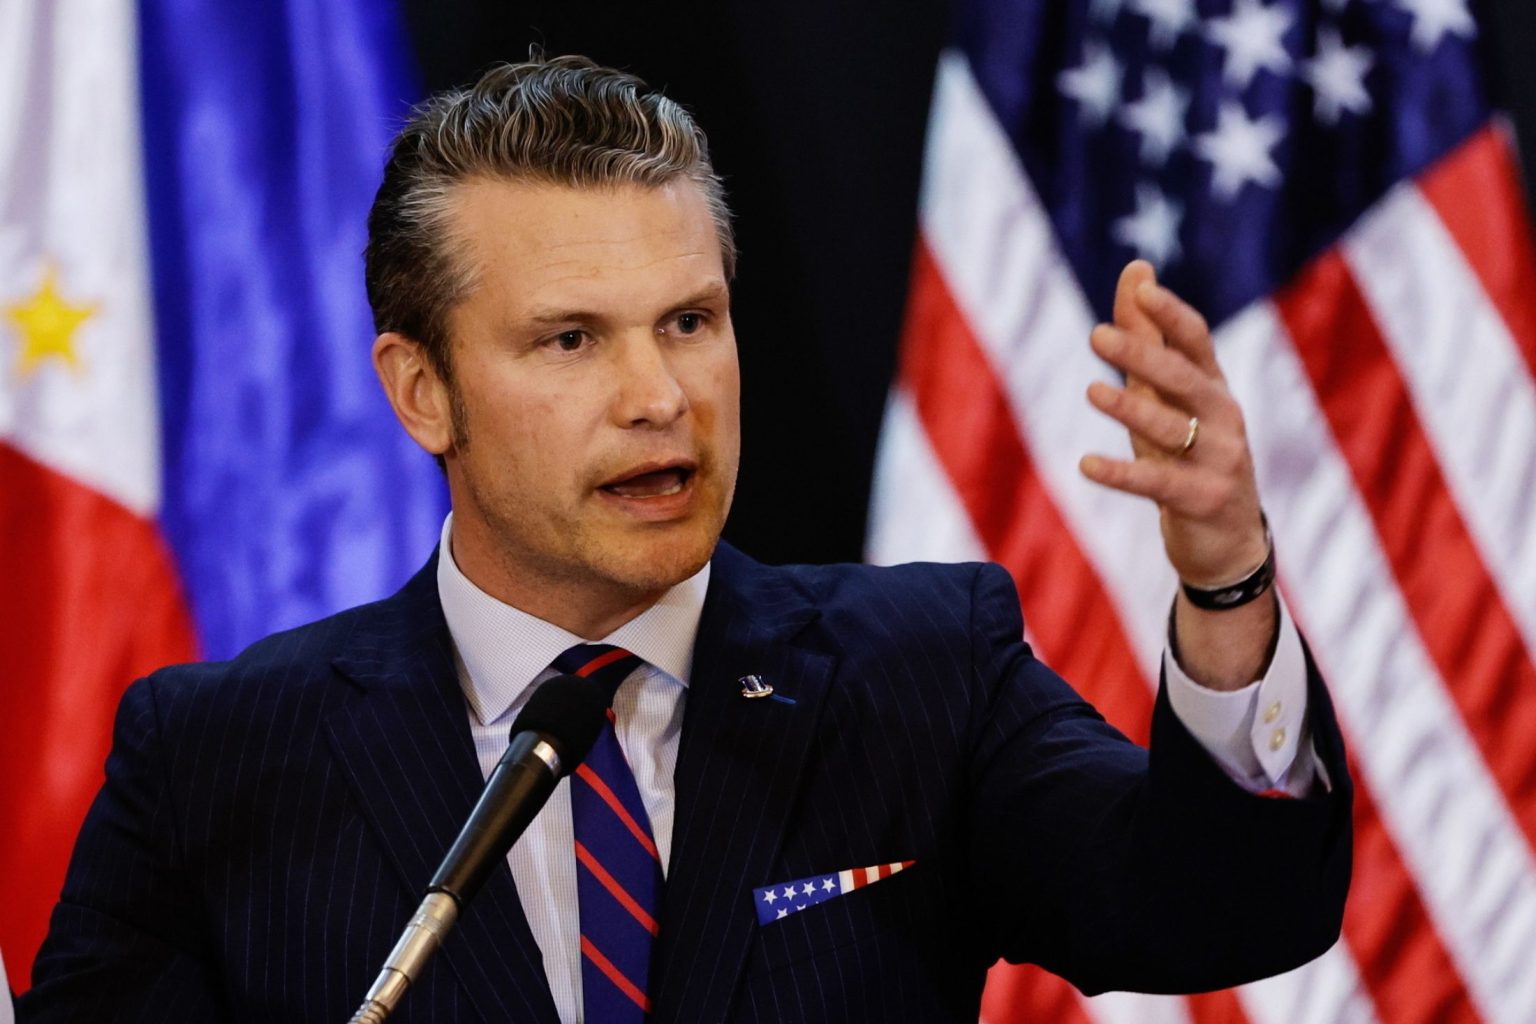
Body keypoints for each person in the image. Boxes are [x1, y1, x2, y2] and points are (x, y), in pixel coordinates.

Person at [18, 56, 1350, 1023]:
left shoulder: (919, 673)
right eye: (571, 339)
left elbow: (1223, 909)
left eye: (690, 323)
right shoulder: (219, 761)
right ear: (422, 391)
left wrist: (1226, 580)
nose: (661, 396)